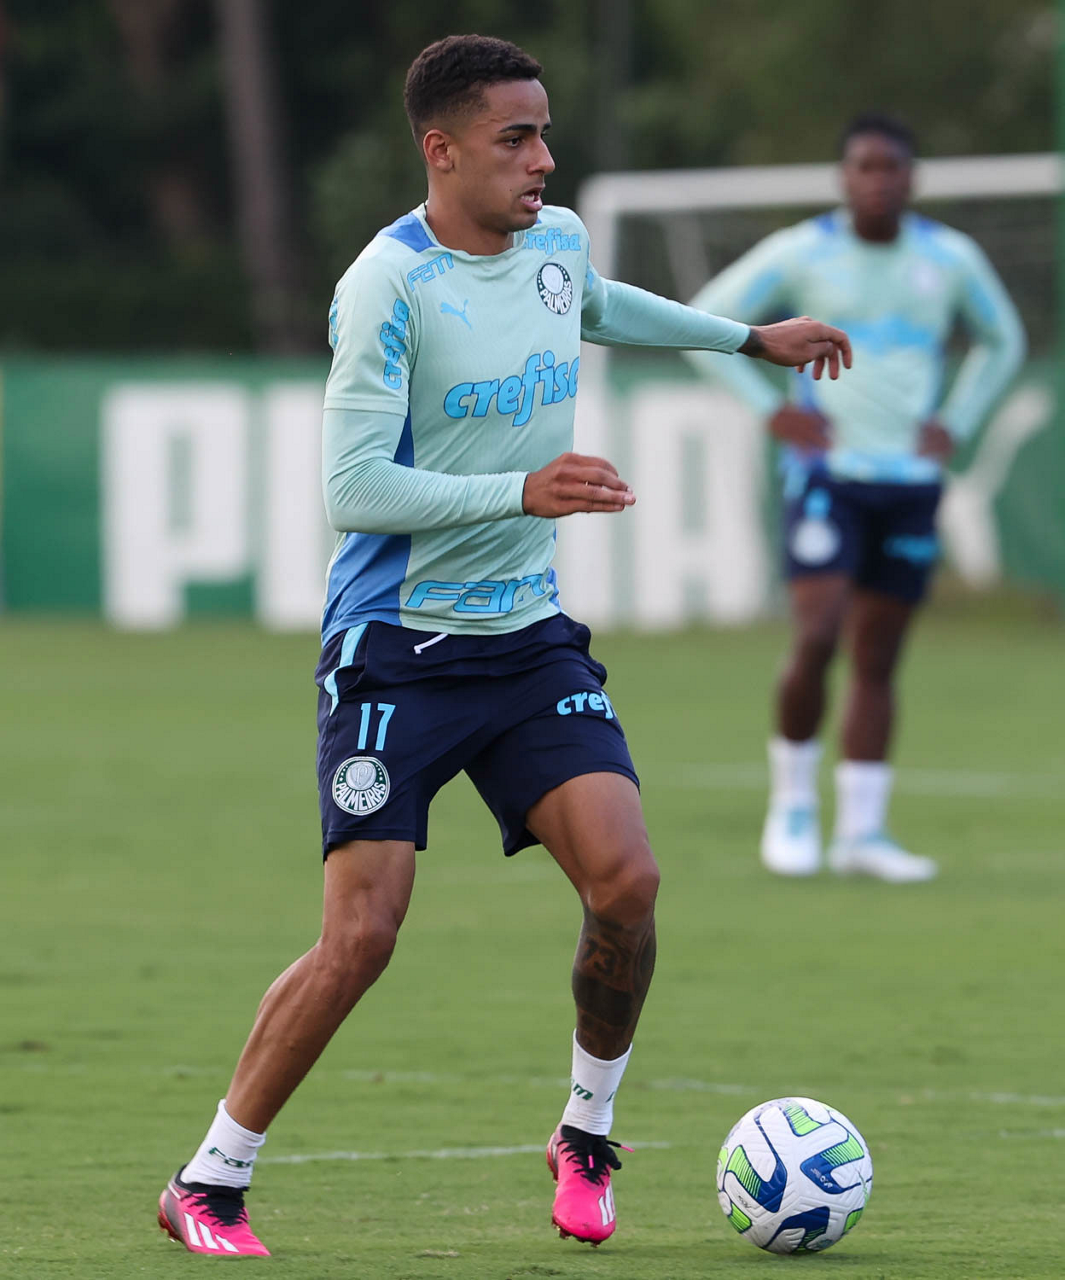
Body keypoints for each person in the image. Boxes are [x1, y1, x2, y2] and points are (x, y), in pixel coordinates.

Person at [156, 34, 851, 1258]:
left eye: (544, 135)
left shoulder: (557, 242)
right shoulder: (389, 285)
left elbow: (598, 304)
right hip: (394, 648)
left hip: (526, 641)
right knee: (364, 935)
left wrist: (748, 338)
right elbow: (354, 489)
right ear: (442, 149)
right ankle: (210, 1178)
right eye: (515, 138)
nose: (543, 160)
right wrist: (519, 491)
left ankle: (586, 1129)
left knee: (627, 883)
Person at [686, 113, 1025, 883]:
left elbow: (1002, 340)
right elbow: (707, 318)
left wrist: (959, 420)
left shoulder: (949, 258)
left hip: (908, 483)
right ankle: (792, 808)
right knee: (817, 633)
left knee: (879, 655)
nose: (877, 180)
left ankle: (862, 832)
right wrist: (766, 407)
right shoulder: (802, 251)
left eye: (890, 166)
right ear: (843, 177)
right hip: (825, 475)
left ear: (911, 177)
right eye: (864, 166)